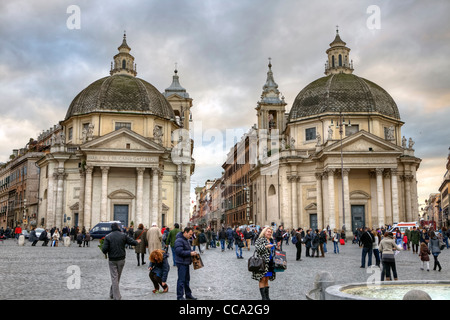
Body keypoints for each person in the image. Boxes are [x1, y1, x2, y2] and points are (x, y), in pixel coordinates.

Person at [101, 222, 141, 300]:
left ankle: (112, 293)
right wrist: (137, 242)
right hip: (121, 259)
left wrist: (107, 250)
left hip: (112, 260)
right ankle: (117, 296)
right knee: (116, 277)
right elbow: (132, 242)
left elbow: (104, 250)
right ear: (118, 227)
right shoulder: (123, 235)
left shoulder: (108, 237)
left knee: (115, 277)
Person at [252, 227, 277, 300]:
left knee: (266, 279)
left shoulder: (271, 240)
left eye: (270, 232)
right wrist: (266, 246)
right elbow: (257, 249)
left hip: (270, 263)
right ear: (264, 232)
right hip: (262, 263)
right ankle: (264, 298)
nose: (269, 233)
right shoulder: (260, 240)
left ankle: (267, 297)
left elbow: (273, 251)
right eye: (268, 231)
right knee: (262, 279)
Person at [174, 227, 198, 300]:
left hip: (186, 262)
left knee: (187, 280)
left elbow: (186, 249)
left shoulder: (186, 240)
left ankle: (188, 294)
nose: (191, 236)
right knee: (181, 280)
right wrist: (190, 253)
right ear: (185, 232)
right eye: (190, 234)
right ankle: (180, 296)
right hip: (181, 262)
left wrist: (192, 252)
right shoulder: (179, 240)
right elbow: (179, 251)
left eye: (191, 235)